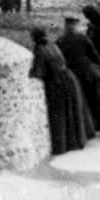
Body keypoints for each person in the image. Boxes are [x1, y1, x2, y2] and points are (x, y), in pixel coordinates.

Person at [28, 27, 91, 155]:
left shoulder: (39, 49)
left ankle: (61, 146)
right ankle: (76, 142)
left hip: (56, 82)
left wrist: (29, 74)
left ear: (35, 38)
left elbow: (39, 72)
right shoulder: (52, 44)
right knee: (71, 111)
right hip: (68, 77)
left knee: (59, 114)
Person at [56, 15, 100, 138]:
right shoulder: (83, 38)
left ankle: (87, 131)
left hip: (75, 76)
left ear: (65, 27)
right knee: (99, 101)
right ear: (75, 26)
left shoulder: (60, 41)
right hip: (90, 73)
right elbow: (94, 56)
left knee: (81, 104)